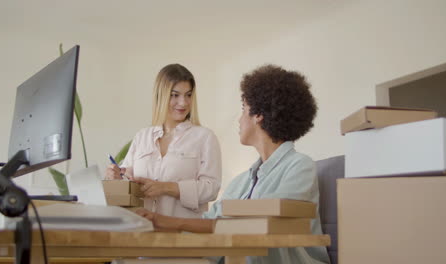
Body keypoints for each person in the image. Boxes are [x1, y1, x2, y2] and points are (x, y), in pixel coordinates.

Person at [136, 65, 331, 264]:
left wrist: (170, 221)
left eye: (243, 110)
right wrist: (158, 220)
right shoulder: (242, 182)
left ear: (258, 115)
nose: (239, 119)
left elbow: (262, 223)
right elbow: (211, 220)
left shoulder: (300, 166)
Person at [106, 63, 222, 219]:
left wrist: (167, 188)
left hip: (183, 234)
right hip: (141, 232)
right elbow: (128, 179)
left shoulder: (204, 137)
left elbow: (211, 188)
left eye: (188, 95)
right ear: (161, 95)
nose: (183, 103)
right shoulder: (142, 137)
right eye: (175, 95)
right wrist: (117, 177)